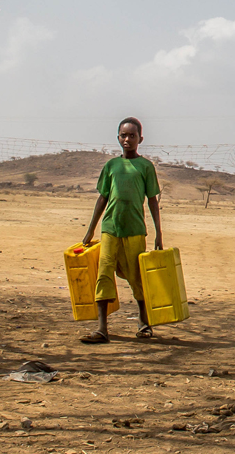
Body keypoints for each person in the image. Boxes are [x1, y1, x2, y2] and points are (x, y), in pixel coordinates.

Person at [78, 117, 162, 343]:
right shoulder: (111, 166)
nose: (127, 139)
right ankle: (102, 329)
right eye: (123, 135)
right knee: (103, 275)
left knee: (137, 276)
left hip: (135, 229)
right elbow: (102, 198)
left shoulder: (145, 167)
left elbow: (152, 200)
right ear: (118, 138)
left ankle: (144, 324)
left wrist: (158, 234)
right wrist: (90, 230)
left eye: (132, 135)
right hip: (110, 228)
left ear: (140, 139)